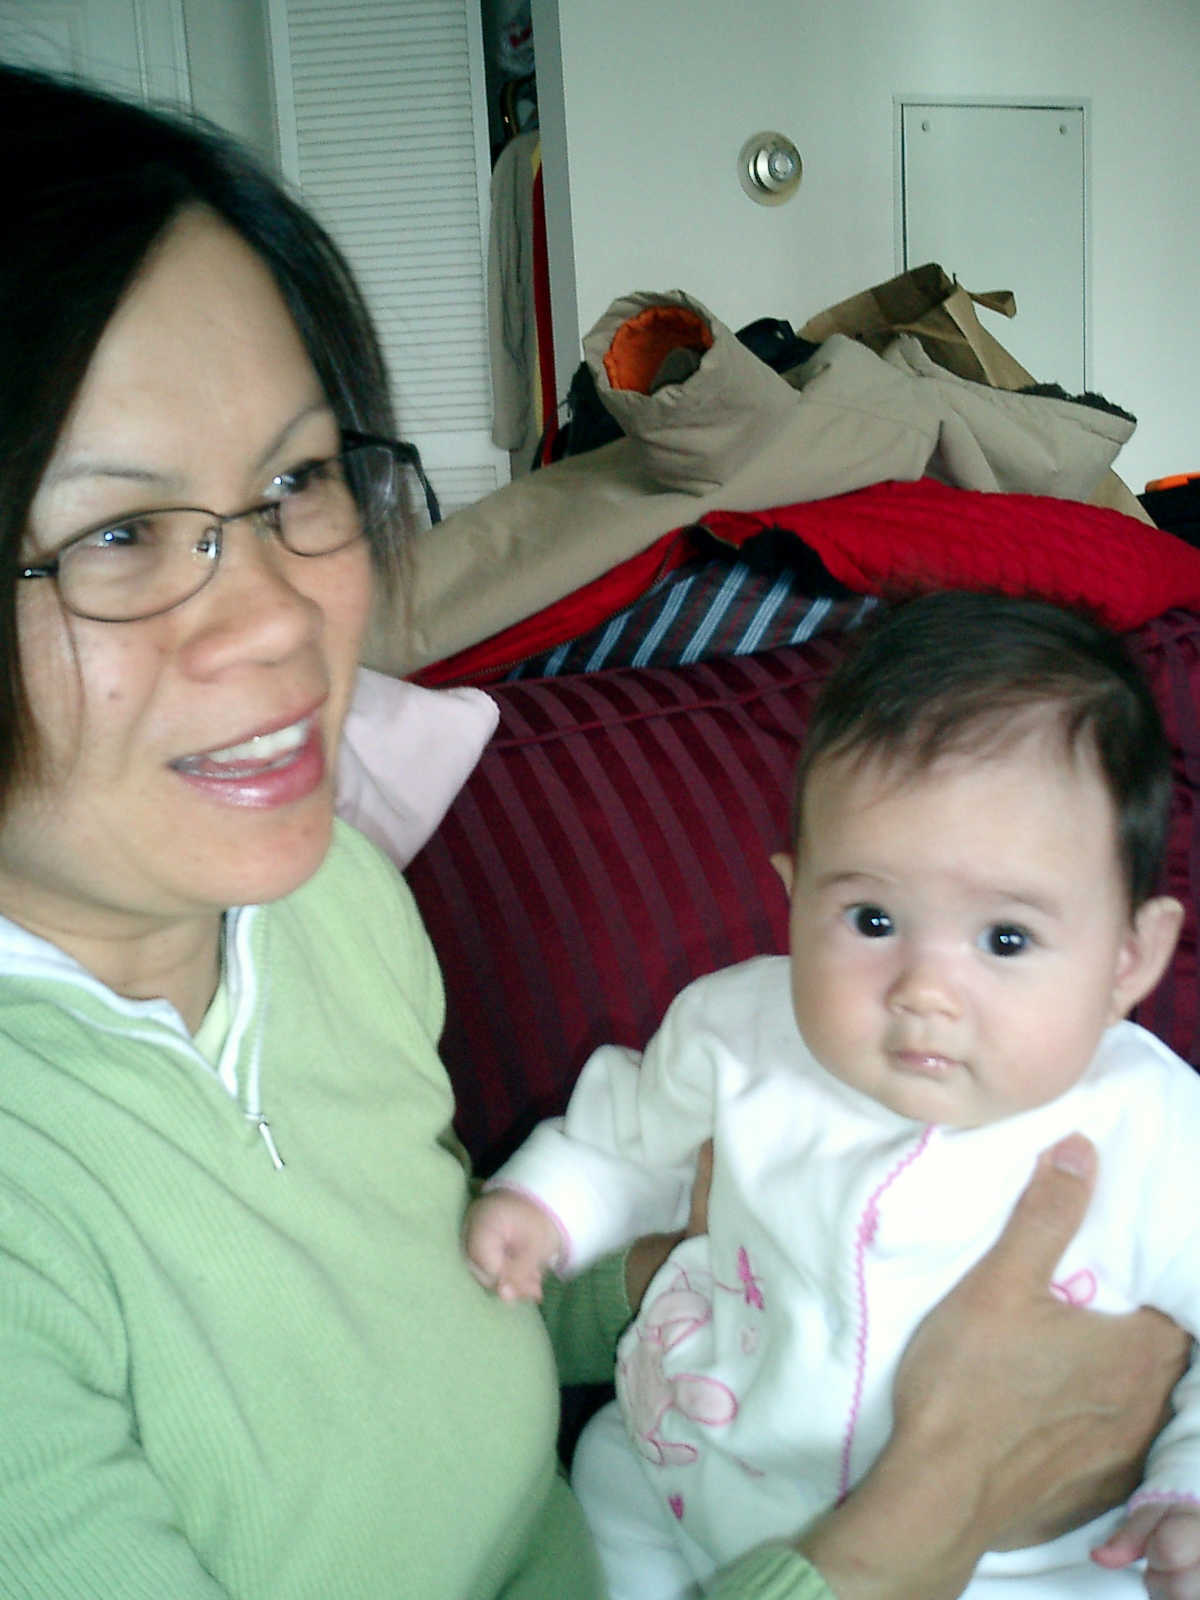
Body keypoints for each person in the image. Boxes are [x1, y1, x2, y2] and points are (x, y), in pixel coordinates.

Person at [0, 61, 1187, 1600]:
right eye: (117, 534)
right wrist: (944, 1486)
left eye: (299, 483)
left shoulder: (319, 897)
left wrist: (688, 1281)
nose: (285, 616)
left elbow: (403, 1325)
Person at [467, 591, 1200, 1599]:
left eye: (1006, 938)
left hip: (1015, 1562)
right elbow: (628, 1141)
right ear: (795, 895)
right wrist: (547, 1207)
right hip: (685, 1469)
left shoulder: (1152, 1126)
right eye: (871, 919)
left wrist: (1185, 1483)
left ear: (1130, 956)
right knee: (608, 1494)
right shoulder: (738, 1030)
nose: (925, 990)